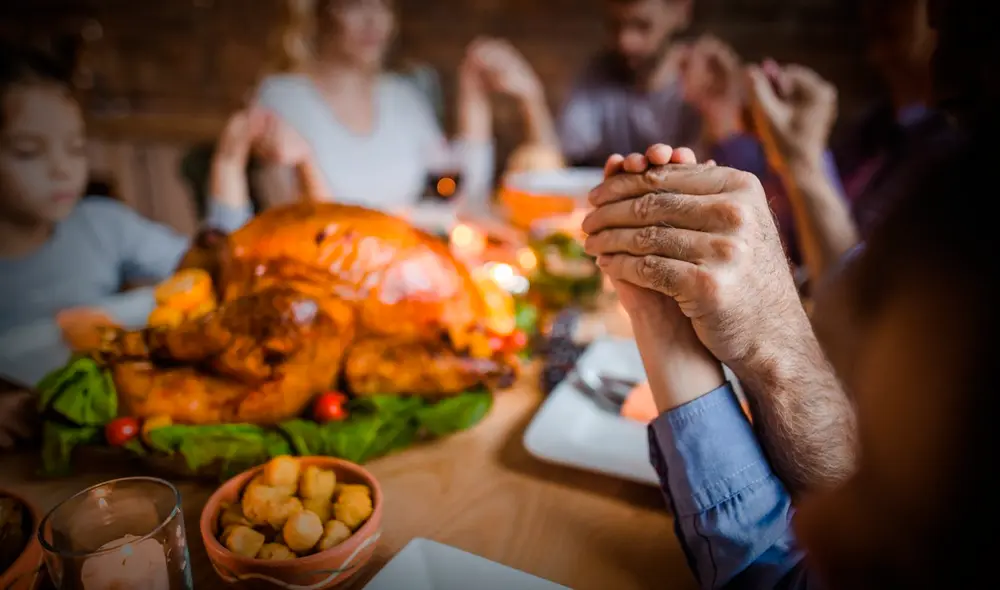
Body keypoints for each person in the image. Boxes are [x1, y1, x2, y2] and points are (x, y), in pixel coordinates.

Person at [580, 0, 999, 583]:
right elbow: (811, 264)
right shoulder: (875, 130)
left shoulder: (959, 197)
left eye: (964, 21)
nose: (944, 71)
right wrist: (781, 156)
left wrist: (771, 333)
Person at [0, 45, 287, 445]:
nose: (62, 168)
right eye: (28, 152)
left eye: (76, 147)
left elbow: (212, 268)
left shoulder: (101, 224)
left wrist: (228, 161)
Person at [253, 0, 551, 213]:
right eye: (354, 3)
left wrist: (472, 91)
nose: (373, 20)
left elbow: (464, 193)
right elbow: (283, 219)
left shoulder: (401, 96)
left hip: (407, 263)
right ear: (320, 12)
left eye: (383, 4)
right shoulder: (281, 98)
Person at [746, 0, 948, 285]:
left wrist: (803, 159)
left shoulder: (958, 154)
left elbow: (861, 296)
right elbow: (794, 245)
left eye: (902, 2)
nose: (877, 10)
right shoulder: (871, 129)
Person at [555, 0, 751, 169]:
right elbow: (566, 158)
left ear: (681, 10)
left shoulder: (710, 75)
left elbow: (738, 172)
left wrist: (719, 113)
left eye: (643, 26)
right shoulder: (597, 74)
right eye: (615, 26)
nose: (625, 42)